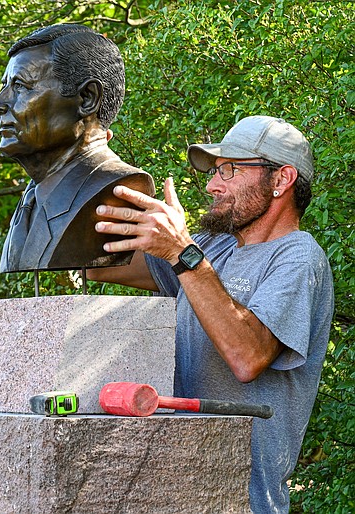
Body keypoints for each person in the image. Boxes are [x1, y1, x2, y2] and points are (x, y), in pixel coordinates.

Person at [87, 116, 334, 513]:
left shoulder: (298, 257)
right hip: (178, 488)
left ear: (281, 180)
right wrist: (83, 156)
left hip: (242, 500)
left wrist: (181, 252)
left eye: (228, 170)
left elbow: (247, 356)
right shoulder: (212, 248)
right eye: (215, 171)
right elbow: (94, 263)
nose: (212, 185)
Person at [0, 23, 154, 272]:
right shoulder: (34, 196)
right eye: (4, 87)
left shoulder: (115, 187)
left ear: (87, 98)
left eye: (20, 86)